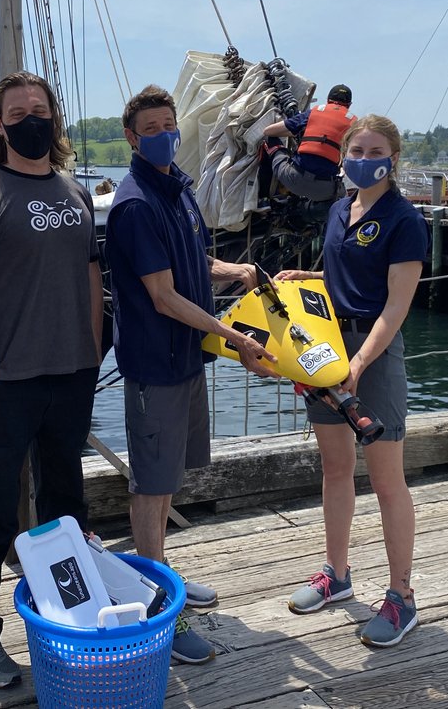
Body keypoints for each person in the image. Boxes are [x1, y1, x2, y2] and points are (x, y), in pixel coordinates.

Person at [105, 84, 279, 665]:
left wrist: (241, 270)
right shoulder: (133, 204)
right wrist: (233, 337)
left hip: (187, 361)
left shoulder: (177, 189)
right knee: (150, 486)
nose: (164, 135)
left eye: (168, 124)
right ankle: (158, 607)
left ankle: (164, 576)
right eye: (150, 128)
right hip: (157, 362)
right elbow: (162, 295)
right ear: (132, 137)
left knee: (169, 477)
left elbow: (194, 263)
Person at [0, 70, 103, 690]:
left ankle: (70, 619)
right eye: (18, 110)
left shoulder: (73, 193)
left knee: (67, 509)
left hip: (70, 375)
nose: (31, 118)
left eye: (41, 108)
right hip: (8, 381)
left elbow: (90, 276)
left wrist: (89, 354)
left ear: (53, 118)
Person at [276, 114, 428, 648]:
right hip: (327, 351)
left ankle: (401, 596)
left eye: (374, 149)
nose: (363, 157)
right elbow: (346, 277)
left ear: (393, 157)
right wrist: (308, 277)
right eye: (355, 148)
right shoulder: (342, 209)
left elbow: (394, 304)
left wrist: (361, 362)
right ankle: (337, 575)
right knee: (335, 468)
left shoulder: (404, 219)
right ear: (342, 155)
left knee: (388, 480)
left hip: (373, 355)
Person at [257, 83, 354, 202]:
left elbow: (268, 131)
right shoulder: (355, 125)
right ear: (349, 105)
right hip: (324, 191)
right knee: (342, 203)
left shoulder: (314, 112)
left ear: (328, 100)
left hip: (293, 180)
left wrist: (298, 132)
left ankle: (263, 198)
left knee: (269, 139)